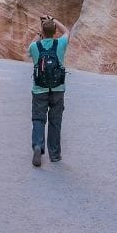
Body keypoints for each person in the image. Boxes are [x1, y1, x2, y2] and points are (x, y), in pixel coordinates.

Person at [28, 15, 69, 167]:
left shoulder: (35, 47)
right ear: (54, 31)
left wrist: (40, 32)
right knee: (55, 121)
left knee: (38, 119)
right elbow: (66, 32)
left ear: (42, 31)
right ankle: (55, 154)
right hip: (58, 89)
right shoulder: (60, 43)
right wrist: (53, 19)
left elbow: (29, 49)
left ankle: (38, 146)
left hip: (39, 90)